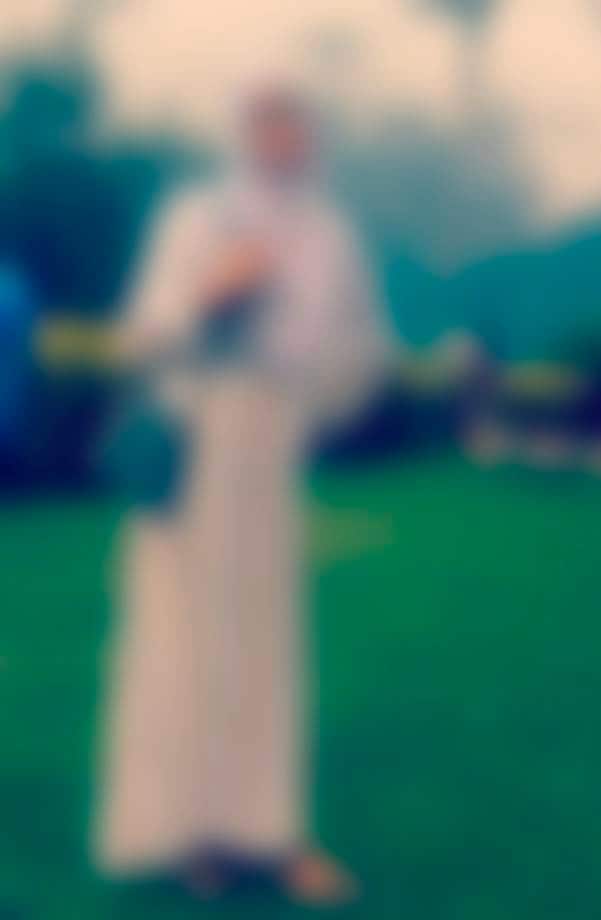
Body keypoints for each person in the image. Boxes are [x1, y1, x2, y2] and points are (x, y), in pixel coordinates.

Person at [93, 86, 392, 905]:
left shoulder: (331, 235)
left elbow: (360, 349)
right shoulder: (196, 219)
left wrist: (315, 402)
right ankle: (191, 835)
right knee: (184, 639)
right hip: (195, 441)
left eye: (298, 123)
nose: (284, 137)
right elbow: (142, 335)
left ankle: (269, 832)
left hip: (271, 449)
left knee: (266, 644)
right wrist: (211, 295)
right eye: (269, 122)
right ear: (246, 132)